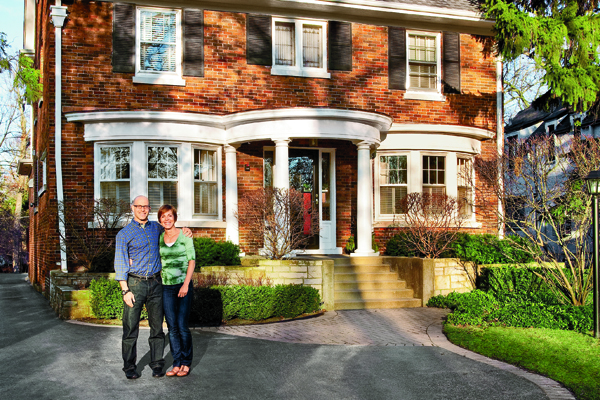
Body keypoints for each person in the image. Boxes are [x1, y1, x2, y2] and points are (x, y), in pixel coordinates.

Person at [114, 195, 192, 380]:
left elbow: (171, 231)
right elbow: (120, 263)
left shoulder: (156, 228)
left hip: (157, 284)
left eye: (146, 206)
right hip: (135, 284)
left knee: (157, 328)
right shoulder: (124, 234)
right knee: (130, 328)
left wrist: (186, 231)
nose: (142, 209)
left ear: (149, 209)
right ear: (132, 208)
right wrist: (125, 290)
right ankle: (129, 366)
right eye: (138, 206)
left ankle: (157, 364)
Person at [157, 204, 196, 377]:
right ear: (159, 220)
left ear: (175, 218)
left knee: (182, 326)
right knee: (172, 328)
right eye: (163, 216)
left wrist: (186, 284)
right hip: (167, 287)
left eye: (169, 216)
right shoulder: (159, 238)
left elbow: (191, 261)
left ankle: (186, 363)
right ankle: (176, 363)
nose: (166, 219)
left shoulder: (185, 236)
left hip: (183, 285)